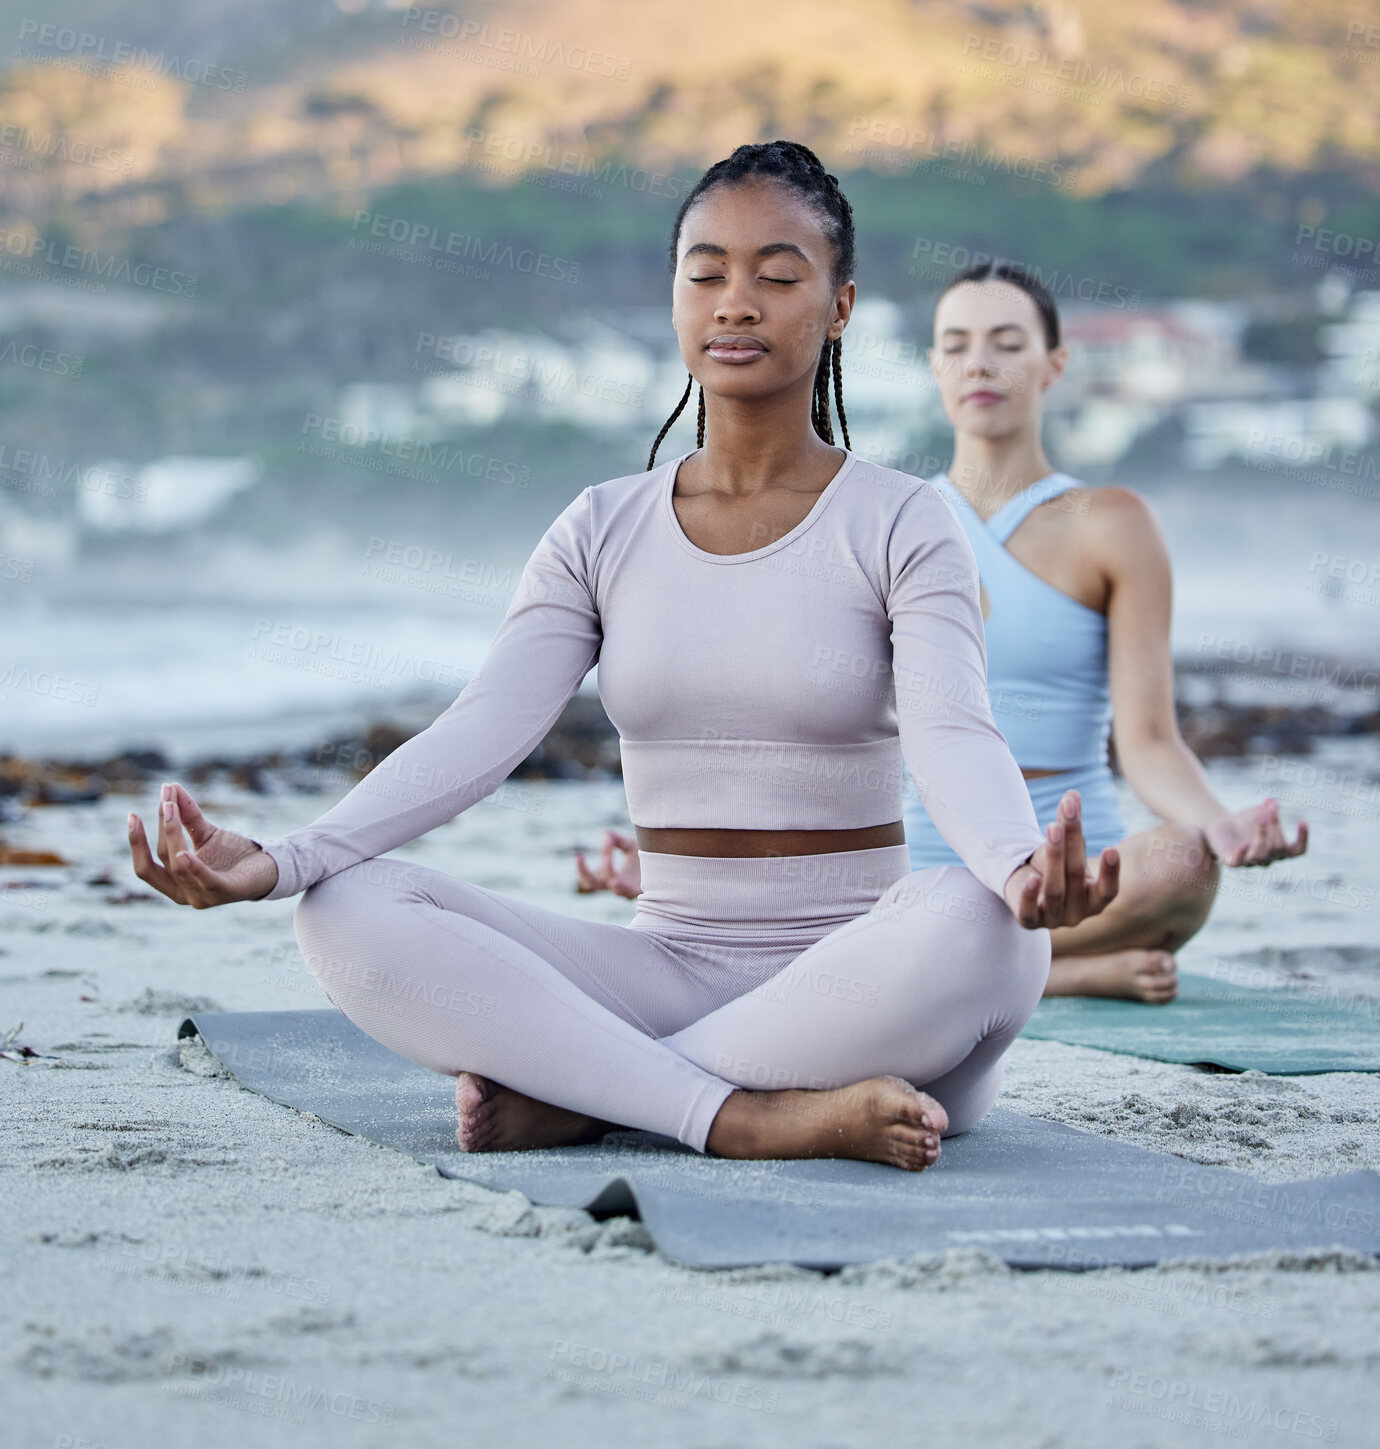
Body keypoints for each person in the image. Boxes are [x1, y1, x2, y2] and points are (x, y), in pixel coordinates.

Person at [127, 142, 1117, 1172]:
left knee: (990, 928)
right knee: (347, 909)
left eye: (777, 277)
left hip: (863, 984)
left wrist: (1016, 867)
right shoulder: (601, 527)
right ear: (676, 298)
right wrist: (288, 859)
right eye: (706, 274)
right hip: (662, 967)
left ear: (840, 306)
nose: (736, 303)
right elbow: (484, 728)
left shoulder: (903, 521)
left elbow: (954, 729)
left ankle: (600, 1097)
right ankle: (740, 1117)